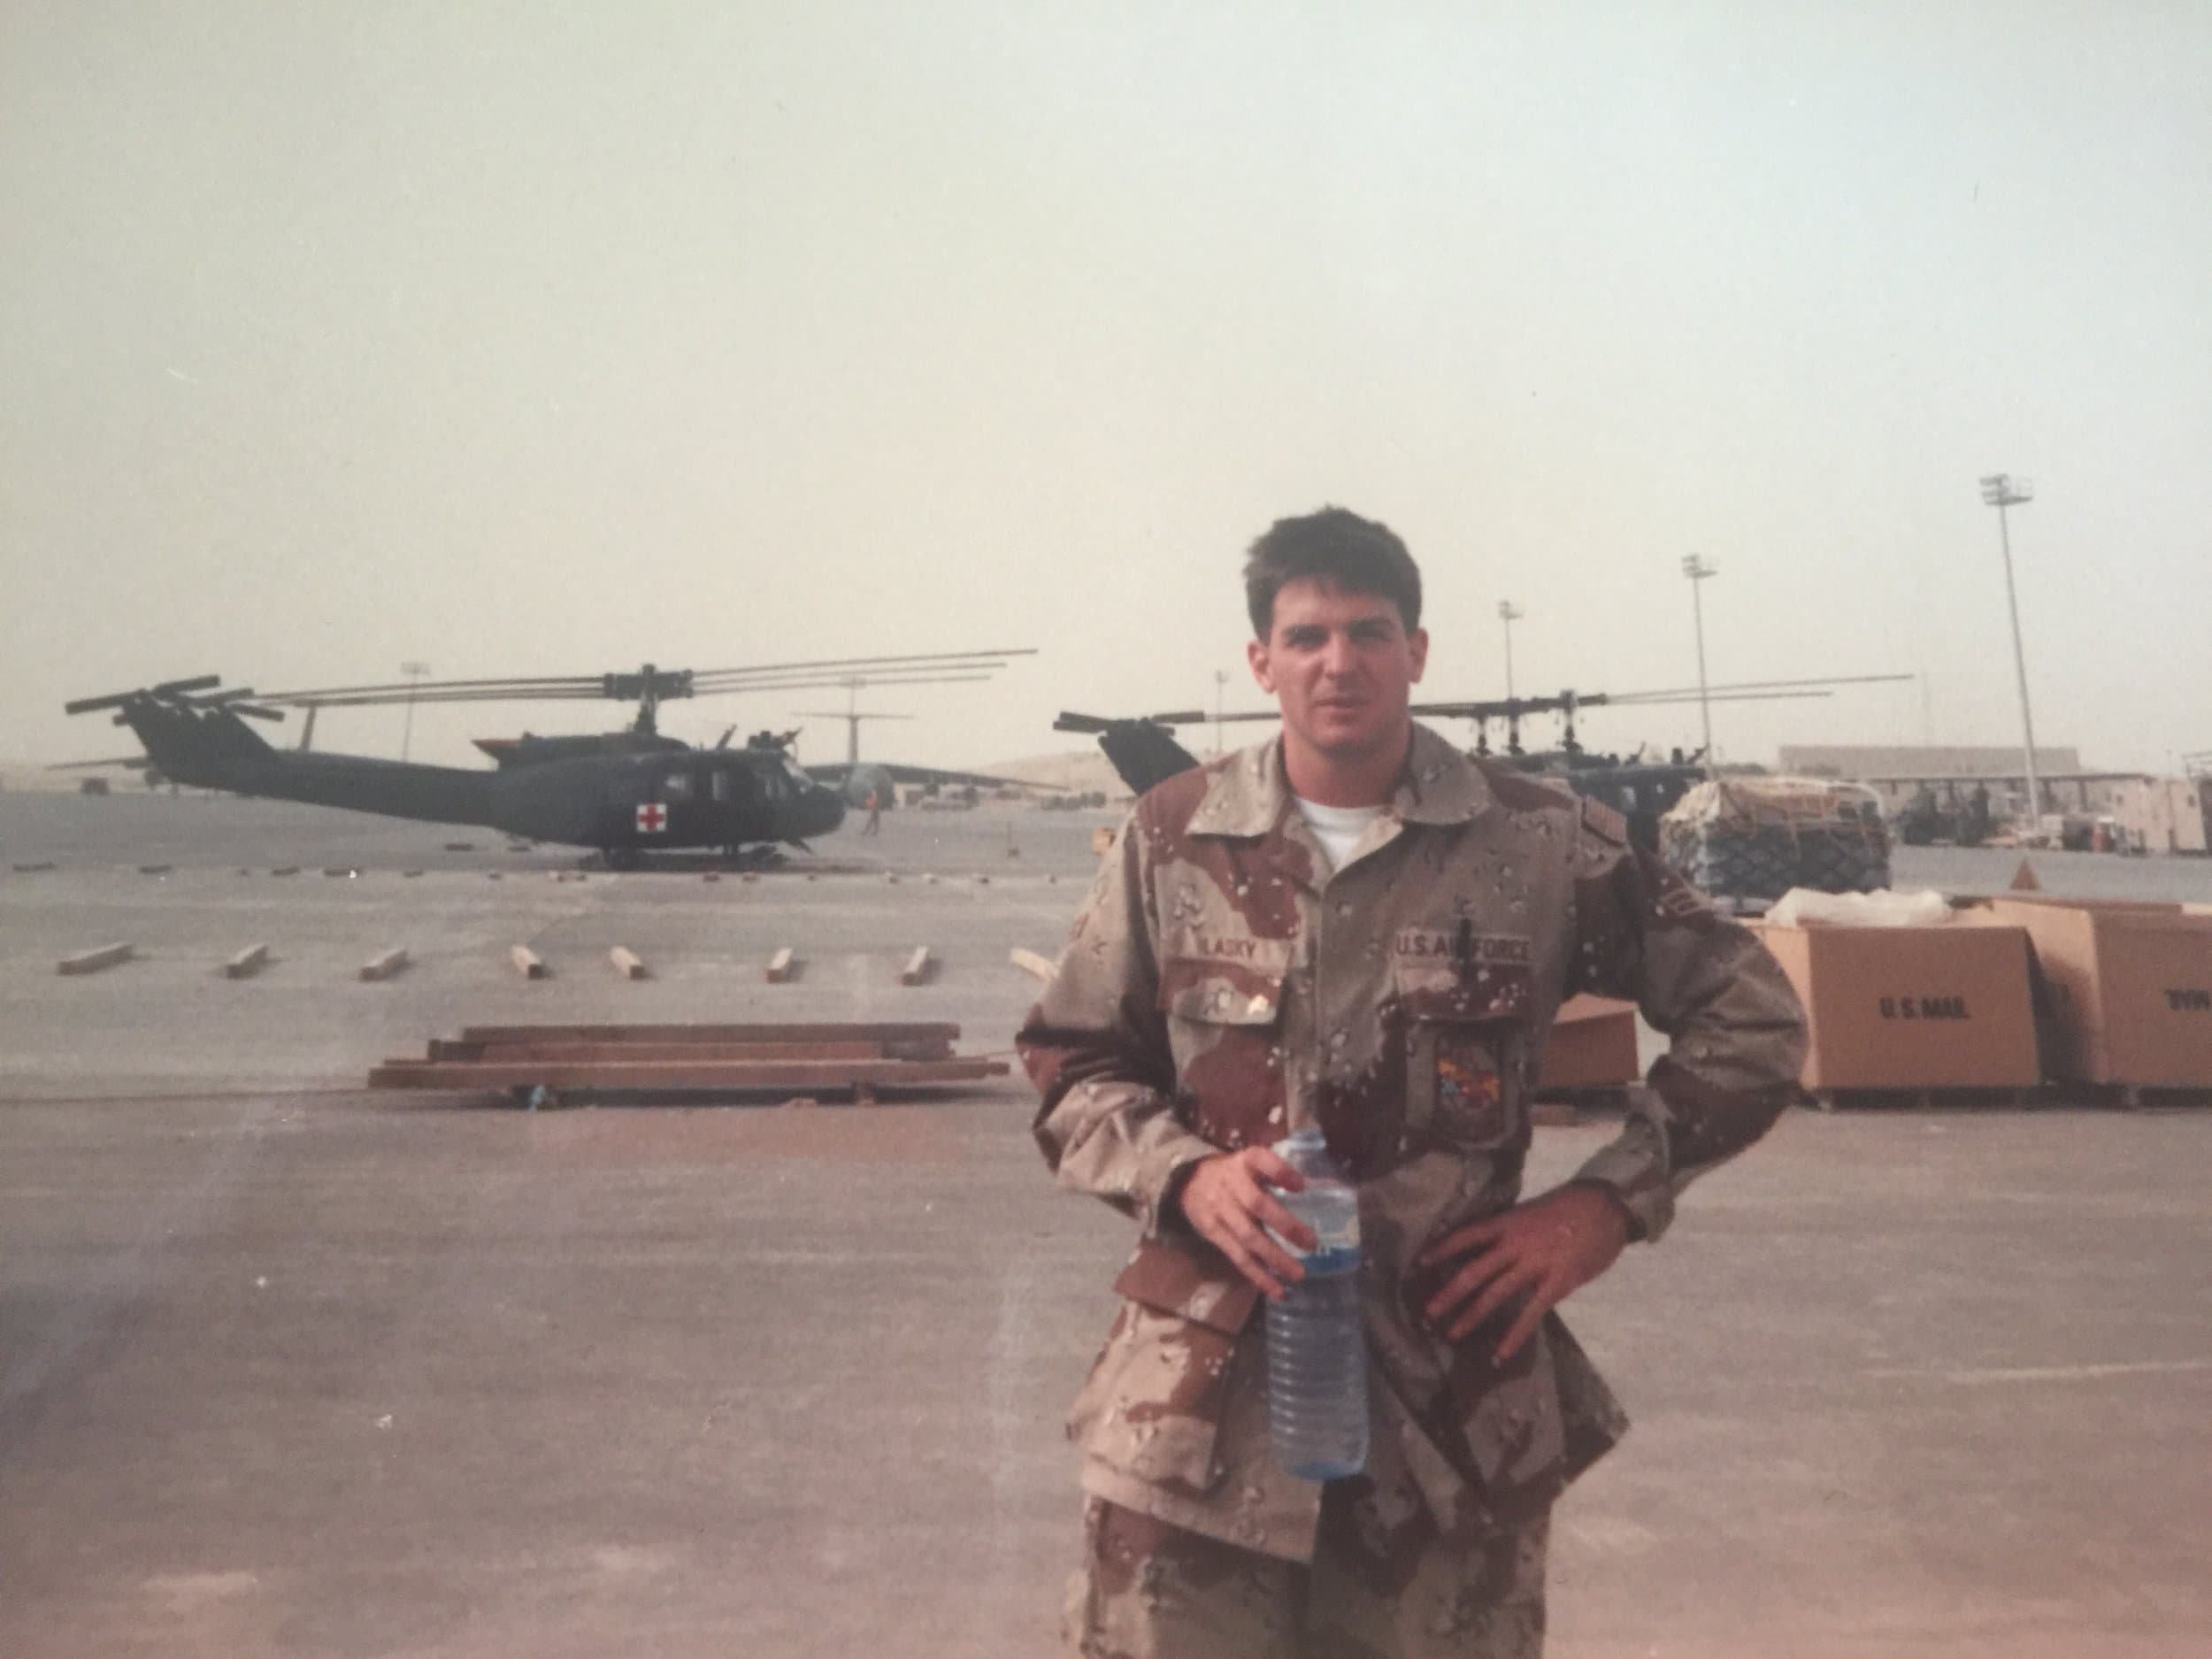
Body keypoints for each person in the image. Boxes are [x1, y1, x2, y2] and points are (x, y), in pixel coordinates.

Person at [1018, 506, 1809, 1657]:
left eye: (1368, 632)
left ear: (1416, 652)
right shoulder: (1175, 839)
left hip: (1448, 1414)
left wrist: (1605, 1204)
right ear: (1262, 663)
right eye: (1307, 637)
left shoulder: (1541, 846)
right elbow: (1070, 1062)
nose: (1339, 663)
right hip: (1196, 1419)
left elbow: (1753, 1019)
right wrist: (1186, 1180)